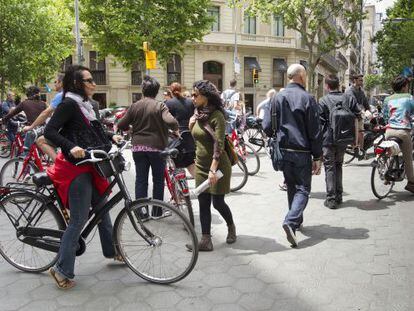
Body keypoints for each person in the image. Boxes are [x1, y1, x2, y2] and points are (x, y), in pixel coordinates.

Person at [44, 65, 123, 289]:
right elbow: (49, 132)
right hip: (75, 168)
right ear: (78, 83)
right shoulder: (69, 104)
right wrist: (71, 147)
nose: (93, 83)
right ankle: (60, 269)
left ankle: (112, 251)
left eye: (93, 80)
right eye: (89, 80)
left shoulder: (88, 105)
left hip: (92, 165)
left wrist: (111, 137)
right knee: (78, 220)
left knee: (103, 209)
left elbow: (92, 132)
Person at [263, 64, 322, 247]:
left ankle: (296, 221)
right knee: (303, 189)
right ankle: (291, 221)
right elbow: (315, 130)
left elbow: (266, 126)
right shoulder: (308, 98)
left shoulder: (276, 98)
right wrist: (318, 157)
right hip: (302, 151)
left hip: (282, 151)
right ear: (302, 77)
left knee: (291, 187)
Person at [117, 76, 179, 218]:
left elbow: (121, 125)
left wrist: (132, 128)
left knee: (141, 180)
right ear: (156, 91)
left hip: (138, 148)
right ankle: (157, 212)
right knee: (158, 180)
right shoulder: (160, 106)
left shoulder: (135, 106)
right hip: (157, 148)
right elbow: (171, 121)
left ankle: (141, 213)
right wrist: (174, 128)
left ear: (143, 90)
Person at [189, 80, 236, 251]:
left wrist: (213, 170)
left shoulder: (217, 116)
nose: (192, 98)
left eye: (195, 95)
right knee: (203, 202)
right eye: (192, 94)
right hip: (201, 165)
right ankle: (205, 240)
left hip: (218, 167)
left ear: (206, 97)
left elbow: (219, 146)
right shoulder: (197, 114)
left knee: (217, 202)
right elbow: (198, 138)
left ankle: (231, 227)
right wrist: (190, 123)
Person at [319, 74, 361, 209]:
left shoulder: (323, 100)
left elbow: (319, 123)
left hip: (328, 139)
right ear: (338, 85)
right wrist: (356, 137)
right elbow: (358, 115)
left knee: (329, 166)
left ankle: (331, 199)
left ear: (326, 86)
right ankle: (339, 195)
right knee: (338, 165)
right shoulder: (348, 97)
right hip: (344, 139)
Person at [382, 75, 414, 193]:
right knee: (408, 158)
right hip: (403, 131)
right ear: (405, 86)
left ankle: (387, 173)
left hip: (389, 131)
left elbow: (384, 115)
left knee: (390, 152)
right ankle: (411, 183)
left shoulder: (387, 99)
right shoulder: (409, 98)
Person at [23, 74, 65, 161]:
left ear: (61, 83)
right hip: (76, 130)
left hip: (67, 132)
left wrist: (31, 127)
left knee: (40, 141)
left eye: (55, 82)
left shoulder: (61, 95)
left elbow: (45, 113)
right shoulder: (71, 94)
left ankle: (59, 164)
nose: (54, 84)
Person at [3, 86, 47, 153]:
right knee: (39, 152)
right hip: (43, 129)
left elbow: (12, 113)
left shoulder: (24, 103)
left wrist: (4, 119)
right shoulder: (43, 104)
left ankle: (26, 158)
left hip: (33, 130)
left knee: (26, 154)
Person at [165, 82, 196, 177]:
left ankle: (181, 188)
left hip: (176, 138)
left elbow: (166, 120)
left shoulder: (168, 103)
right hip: (190, 137)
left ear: (171, 91)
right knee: (190, 162)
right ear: (181, 89)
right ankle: (202, 185)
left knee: (176, 163)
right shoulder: (190, 102)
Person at [345, 74, 370, 151]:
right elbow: (354, 103)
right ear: (355, 80)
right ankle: (354, 148)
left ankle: (361, 150)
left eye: (362, 80)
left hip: (359, 115)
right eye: (360, 80)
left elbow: (365, 102)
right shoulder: (349, 90)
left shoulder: (361, 91)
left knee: (361, 133)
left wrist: (368, 110)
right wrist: (361, 111)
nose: (362, 82)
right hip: (352, 115)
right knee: (354, 133)